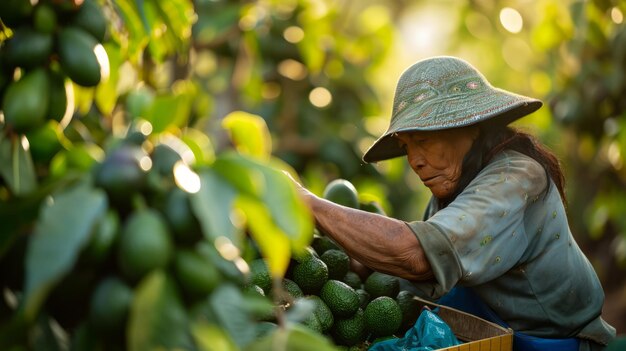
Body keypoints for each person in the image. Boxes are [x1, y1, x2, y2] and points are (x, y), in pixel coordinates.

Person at [288, 56, 616, 350]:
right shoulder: (452, 189)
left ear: (470, 128)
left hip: (553, 342)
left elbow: (415, 255)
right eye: (406, 146)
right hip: (491, 332)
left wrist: (308, 203)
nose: (414, 160)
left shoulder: (515, 178)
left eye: (424, 140)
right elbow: (408, 279)